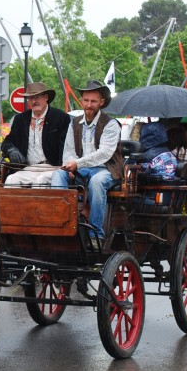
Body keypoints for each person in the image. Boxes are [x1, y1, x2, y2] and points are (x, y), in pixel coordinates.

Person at [51, 80, 124, 249]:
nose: (89, 105)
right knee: (57, 175)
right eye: (86, 100)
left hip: (106, 169)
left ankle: (95, 235)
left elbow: (104, 154)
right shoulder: (74, 123)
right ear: (81, 101)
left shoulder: (111, 124)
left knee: (97, 182)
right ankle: (61, 224)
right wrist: (68, 166)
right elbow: (68, 150)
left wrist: (77, 164)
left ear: (101, 102)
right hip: (81, 168)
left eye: (93, 101)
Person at [0, 81, 71, 186]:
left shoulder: (60, 117)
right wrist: (12, 150)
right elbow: (7, 142)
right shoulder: (21, 119)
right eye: (30, 98)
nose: (34, 101)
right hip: (29, 168)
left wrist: (65, 168)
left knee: (40, 181)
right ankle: (15, 203)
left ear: (46, 97)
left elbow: (67, 147)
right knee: (11, 179)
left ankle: (37, 203)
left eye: (37, 97)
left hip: (53, 168)